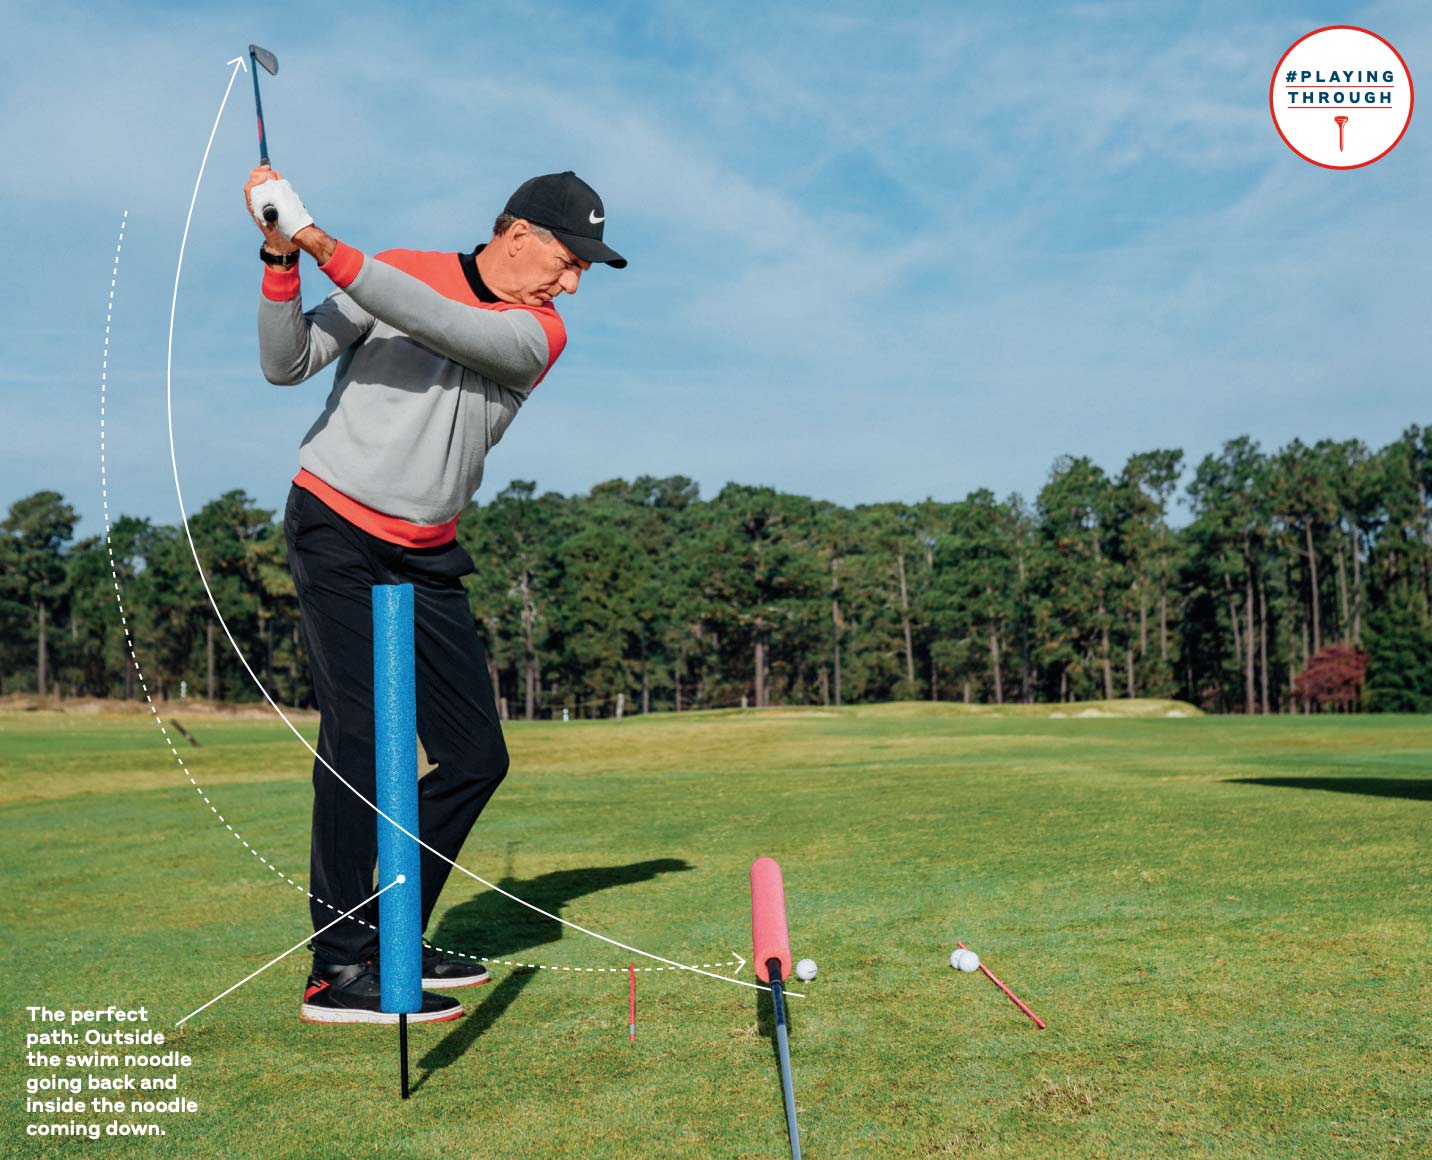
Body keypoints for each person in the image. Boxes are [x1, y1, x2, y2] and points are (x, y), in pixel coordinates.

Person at [242, 165, 626, 1024]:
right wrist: (282, 254)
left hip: (427, 552)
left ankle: (392, 931)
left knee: (476, 755)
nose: (572, 284)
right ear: (518, 233)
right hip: (336, 528)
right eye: (568, 261)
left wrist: (322, 242)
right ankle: (338, 967)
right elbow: (285, 363)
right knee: (360, 739)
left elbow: (438, 320)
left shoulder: (537, 334)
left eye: (582, 271)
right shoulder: (398, 269)